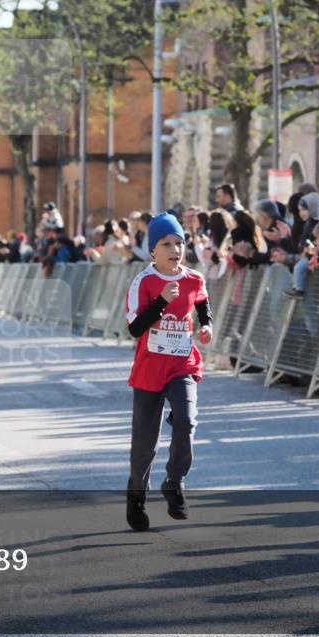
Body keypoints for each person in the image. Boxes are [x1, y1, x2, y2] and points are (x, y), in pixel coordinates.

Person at [124, 212, 213, 531]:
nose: (175, 249)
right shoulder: (143, 282)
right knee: (145, 443)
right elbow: (135, 328)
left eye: (179, 242)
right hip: (150, 368)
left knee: (187, 420)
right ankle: (136, 495)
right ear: (152, 251)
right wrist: (160, 303)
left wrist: (206, 326)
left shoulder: (193, 279)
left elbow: (202, 303)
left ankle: (174, 482)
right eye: (166, 243)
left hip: (182, 363)